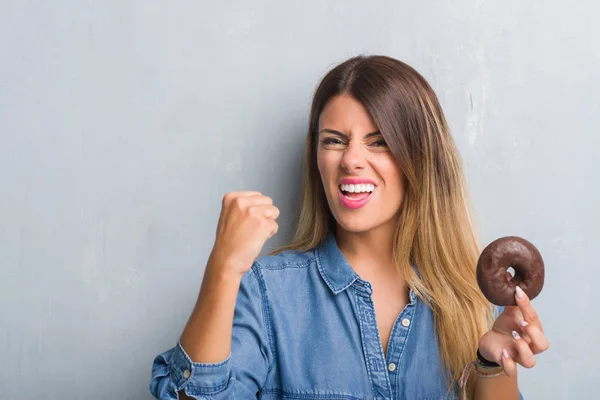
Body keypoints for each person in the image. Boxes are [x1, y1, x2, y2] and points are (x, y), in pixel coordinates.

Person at [149, 55, 549, 400]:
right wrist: (223, 267)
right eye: (334, 140)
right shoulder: (267, 293)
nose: (351, 160)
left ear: (420, 159)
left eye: (378, 142)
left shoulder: (475, 299)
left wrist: (492, 364)